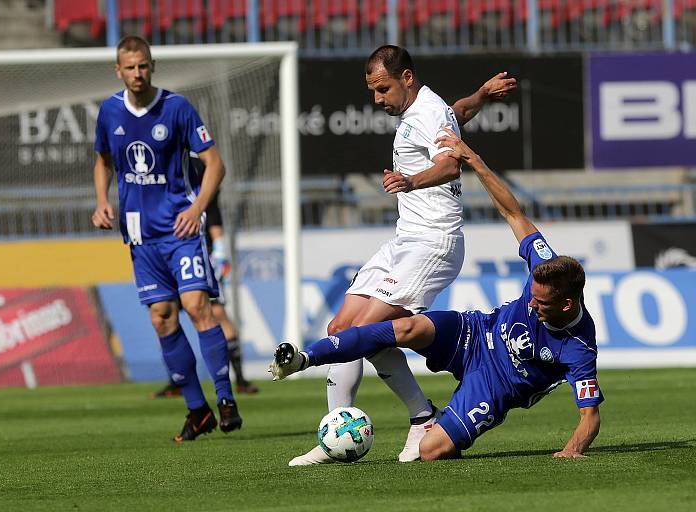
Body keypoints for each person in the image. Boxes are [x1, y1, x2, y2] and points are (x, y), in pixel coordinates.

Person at [270, 128, 603, 461]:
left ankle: (432, 422)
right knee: (406, 327)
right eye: (531, 295)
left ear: (567, 304)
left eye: (541, 303)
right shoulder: (545, 265)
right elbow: (513, 212)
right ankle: (306, 358)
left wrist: (571, 450)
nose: (531, 304)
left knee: (431, 452)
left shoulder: (579, 348)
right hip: (476, 332)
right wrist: (472, 158)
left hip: (495, 387)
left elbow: (590, 417)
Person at [288, 45, 517, 466]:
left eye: (383, 89)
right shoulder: (429, 111)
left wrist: (410, 182)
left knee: (367, 330)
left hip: (433, 243)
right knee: (342, 325)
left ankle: (421, 418)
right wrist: (482, 96)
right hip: (404, 240)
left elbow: (451, 166)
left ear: (406, 78)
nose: (377, 100)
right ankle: (338, 432)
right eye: (373, 91)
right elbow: (459, 113)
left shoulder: (427, 112)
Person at [91, 35, 241, 442]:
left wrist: (197, 210)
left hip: (181, 229)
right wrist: (102, 200)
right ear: (118, 70)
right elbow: (103, 160)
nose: (138, 73)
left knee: (197, 306)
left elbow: (215, 164)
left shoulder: (177, 108)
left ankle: (226, 399)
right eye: (130, 67)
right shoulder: (109, 111)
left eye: (144, 65)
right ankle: (198, 410)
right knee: (161, 317)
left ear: (152, 66)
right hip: (141, 235)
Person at [153, 176, 258, 398]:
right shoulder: (161, 169)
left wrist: (219, 251)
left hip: (198, 254)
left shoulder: (199, 168)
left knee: (216, 312)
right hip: (164, 253)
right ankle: (176, 380)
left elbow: (213, 214)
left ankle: (239, 379)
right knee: (164, 315)